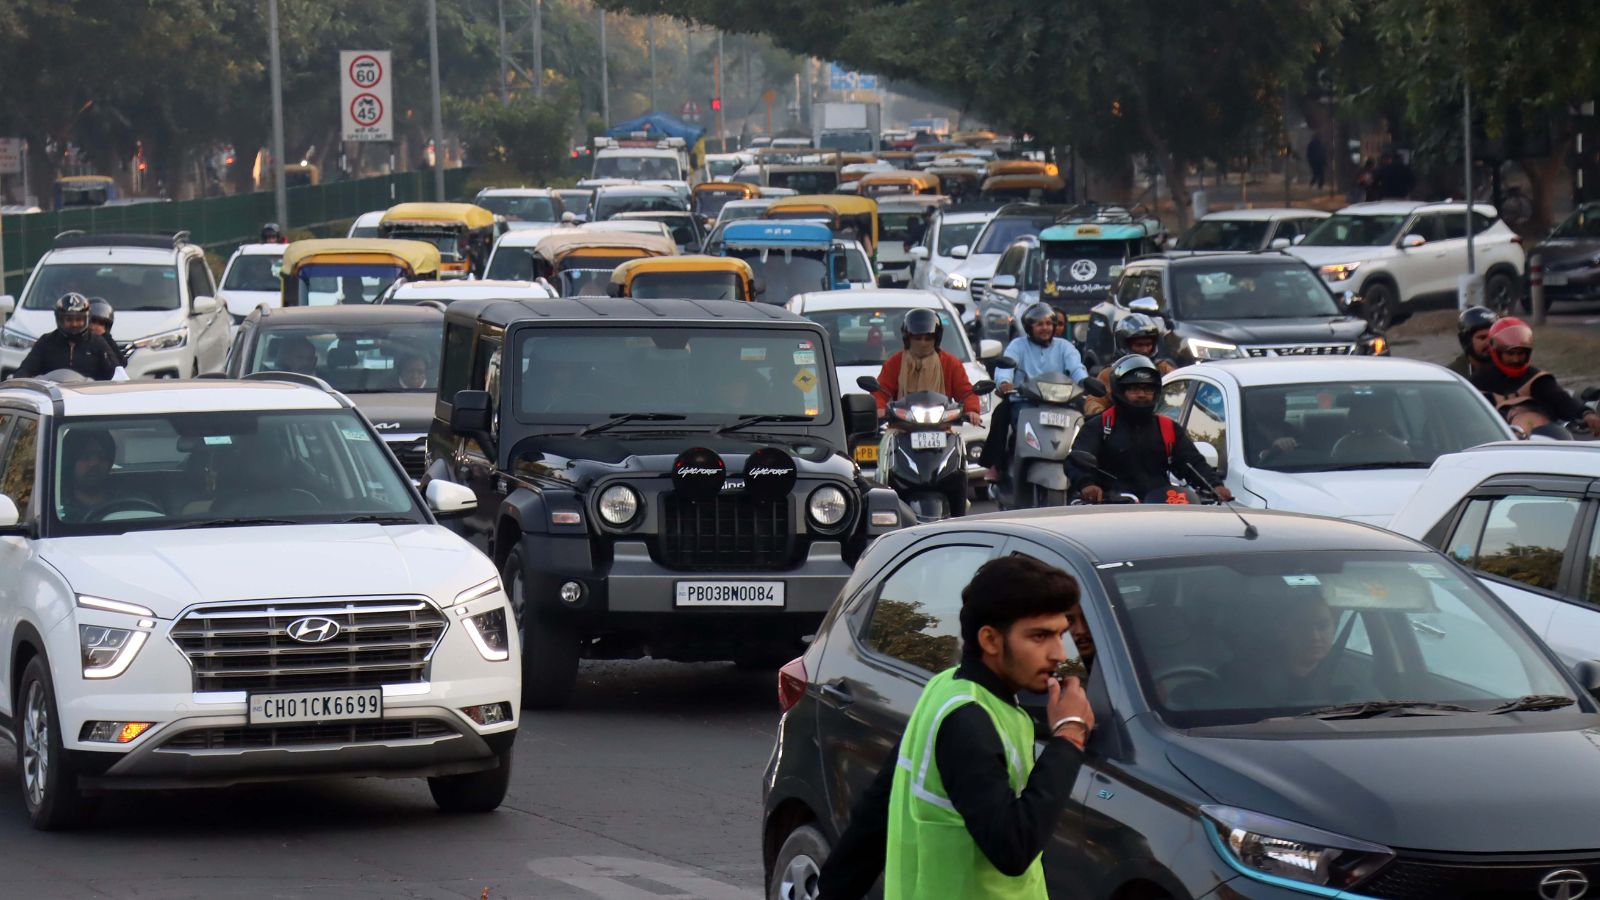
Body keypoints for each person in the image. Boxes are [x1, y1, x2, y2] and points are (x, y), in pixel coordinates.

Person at [815, 554, 1096, 900]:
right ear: (990, 640)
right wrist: (1070, 734)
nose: (1058, 653)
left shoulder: (947, 687)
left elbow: (877, 811)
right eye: (1039, 637)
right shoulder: (968, 720)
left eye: (1061, 634)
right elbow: (1012, 847)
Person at [1068, 355, 1233, 503]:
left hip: (1160, 510)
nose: (1142, 394)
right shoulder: (1100, 426)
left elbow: (1192, 462)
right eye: (1134, 389)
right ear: (1119, 390)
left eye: (1148, 389)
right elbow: (1077, 461)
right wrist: (1087, 484)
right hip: (1111, 510)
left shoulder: (1168, 428)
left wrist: (1215, 485)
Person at [979, 302, 1090, 481]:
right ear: (1029, 328)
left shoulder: (1064, 347)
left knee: (1088, 419)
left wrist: (1084, 380)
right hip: (1025, 402)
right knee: (1002, 413)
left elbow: (1076, 368)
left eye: (1048, 323)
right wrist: (1004, 382)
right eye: (1039, 324)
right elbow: (1006, 366)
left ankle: (1087, 470)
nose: (1045, 328)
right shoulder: (1018, 345)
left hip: (1062, 403)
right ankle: (997, 465)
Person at [1470, 316, 1600, 437]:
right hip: (1495, 443)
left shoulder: (1537, 379)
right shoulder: (1478, 381)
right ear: (1496, 352)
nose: (1516, 359)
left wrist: (1586, 414)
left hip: (1542, 442)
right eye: (1510, 353)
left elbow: (1561, 399)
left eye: (1521, 353)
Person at [871, 308, 982, 426]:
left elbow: (966, 392)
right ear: (908, 338)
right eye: (917, 338)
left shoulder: (950, 363)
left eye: (928, 339)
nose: (922, 343)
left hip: (941, 426)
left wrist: (971, 410)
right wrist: (879, 408)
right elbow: (880, 391)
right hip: (901, 426)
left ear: (936, 339)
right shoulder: (895, 362)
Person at [11, 293, 121, 381]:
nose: (74, 324)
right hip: (52, 397)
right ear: (59, 320)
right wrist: (18, 383)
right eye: (69, 320)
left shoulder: (97, 342)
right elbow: (25, 370)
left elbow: (117, 374)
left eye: (79, 320)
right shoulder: (46, 341)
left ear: (87, 319)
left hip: (89, 398)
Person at [1084, 312, 1176, 417]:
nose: (1145, 350)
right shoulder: (1110, 373)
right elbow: (1094, 401)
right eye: (1139, 345)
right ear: (1124, 345)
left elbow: (1180, 391)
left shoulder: (1163, 368)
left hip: (1157, 422)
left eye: (1148, 344)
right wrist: (1104, 416)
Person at [58, 428, 116, 521]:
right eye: (85, 456)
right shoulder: (57, 509)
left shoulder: (126, 504)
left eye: (102, 457)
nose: (95, 463)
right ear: (70, 463)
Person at [1447, 305, 1499, 379]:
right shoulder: (1452, 376)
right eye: (1482, 337)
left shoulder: (1509, 368)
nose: (1489, 343)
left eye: (1493, 337)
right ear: (1465, 340)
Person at [87, 298, 126, 368]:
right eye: (92, 322)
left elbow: (121, 363)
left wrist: (105, 336)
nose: (94, 327)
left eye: (101, 323)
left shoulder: (104, 344)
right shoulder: (75, 342)